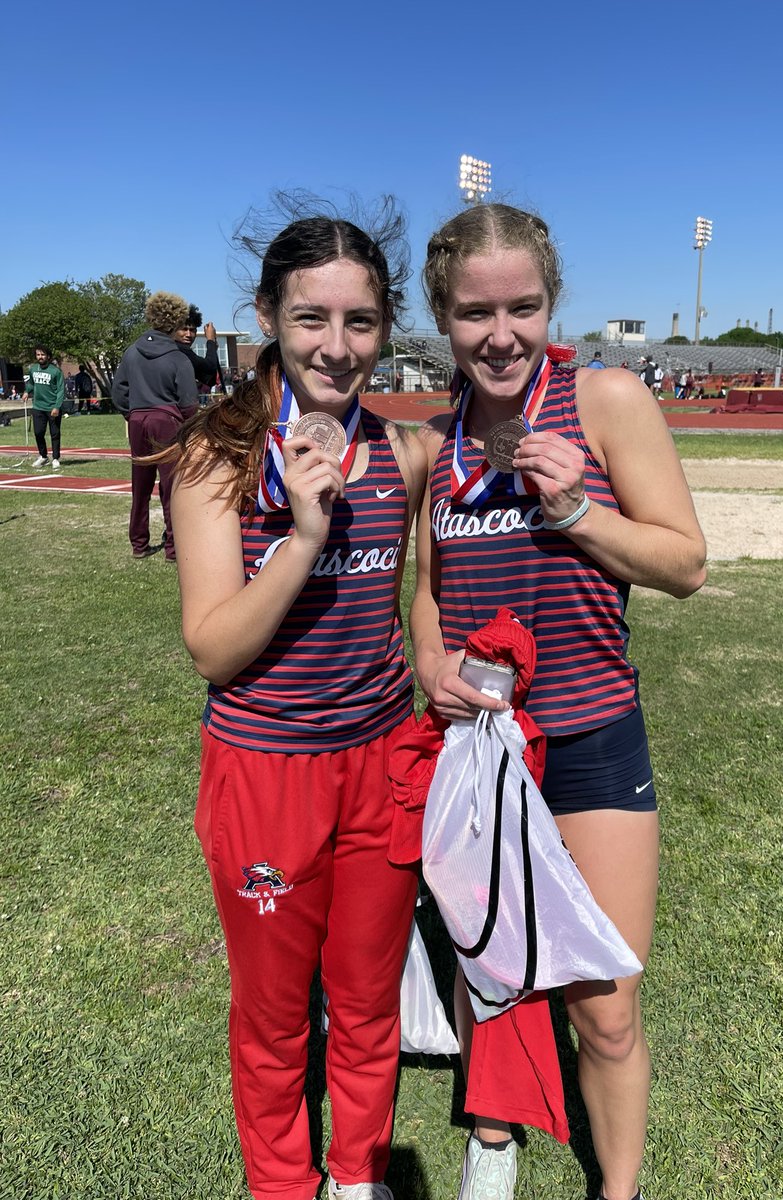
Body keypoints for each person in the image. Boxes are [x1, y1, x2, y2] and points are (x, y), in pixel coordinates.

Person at [411, 203, 707, 1200]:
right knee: (492, 971)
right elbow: (424, 589)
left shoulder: (608, 401)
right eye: (473, 312)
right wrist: (430, 665)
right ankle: (491, 1142)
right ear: (441, 316)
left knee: (606, 1006)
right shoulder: (435, 437)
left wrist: (578, 510)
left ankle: (615, 1192)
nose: (500, 333)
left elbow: (686, 565)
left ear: (551, 303)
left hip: (587, 742)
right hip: (479, 748)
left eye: (523, 307)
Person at [167, 202, 426, 1200]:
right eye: (312, 317)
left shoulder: (403, 456)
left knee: (366, 1003)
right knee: (275, 1015)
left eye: (360, 322)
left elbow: (424, 599)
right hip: (264, 773)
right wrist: (306, 540)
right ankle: (283, 1183)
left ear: (385, 330)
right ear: (271, 315)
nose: (337, 344)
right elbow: (213, 650)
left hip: (381, 771)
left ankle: (357, 1177)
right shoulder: (214, 458)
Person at [112, 292, 199, 559]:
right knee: (171, 486)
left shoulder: (131, 352)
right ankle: (173, 548)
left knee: (140, 485)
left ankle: (139, 544)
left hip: (138, 419)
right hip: (167, 422)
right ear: (175, 321)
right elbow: (188, 403)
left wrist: (132, 414)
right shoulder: (179, 357)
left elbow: (118, 391)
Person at [24, 343, 65, 469]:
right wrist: (26, 391)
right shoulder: (33, 369)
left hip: (52, 407)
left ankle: (56, 458)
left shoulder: (55, 371)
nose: (40, 357)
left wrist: (57, 406)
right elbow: (31, 383)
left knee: (55, 434)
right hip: (38, 407)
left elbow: (60, 390)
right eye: (38, 354)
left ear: (48, 356)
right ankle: (43, 456)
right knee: (38, 433)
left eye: (42, 354)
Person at [173, 304, 221, 390]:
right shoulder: (178, 350)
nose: (188, 334)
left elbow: (209, 379)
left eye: (192, 330)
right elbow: (210, 368)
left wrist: (212, 348)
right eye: (184, 329)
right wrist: (211, 341)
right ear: (174, 330)